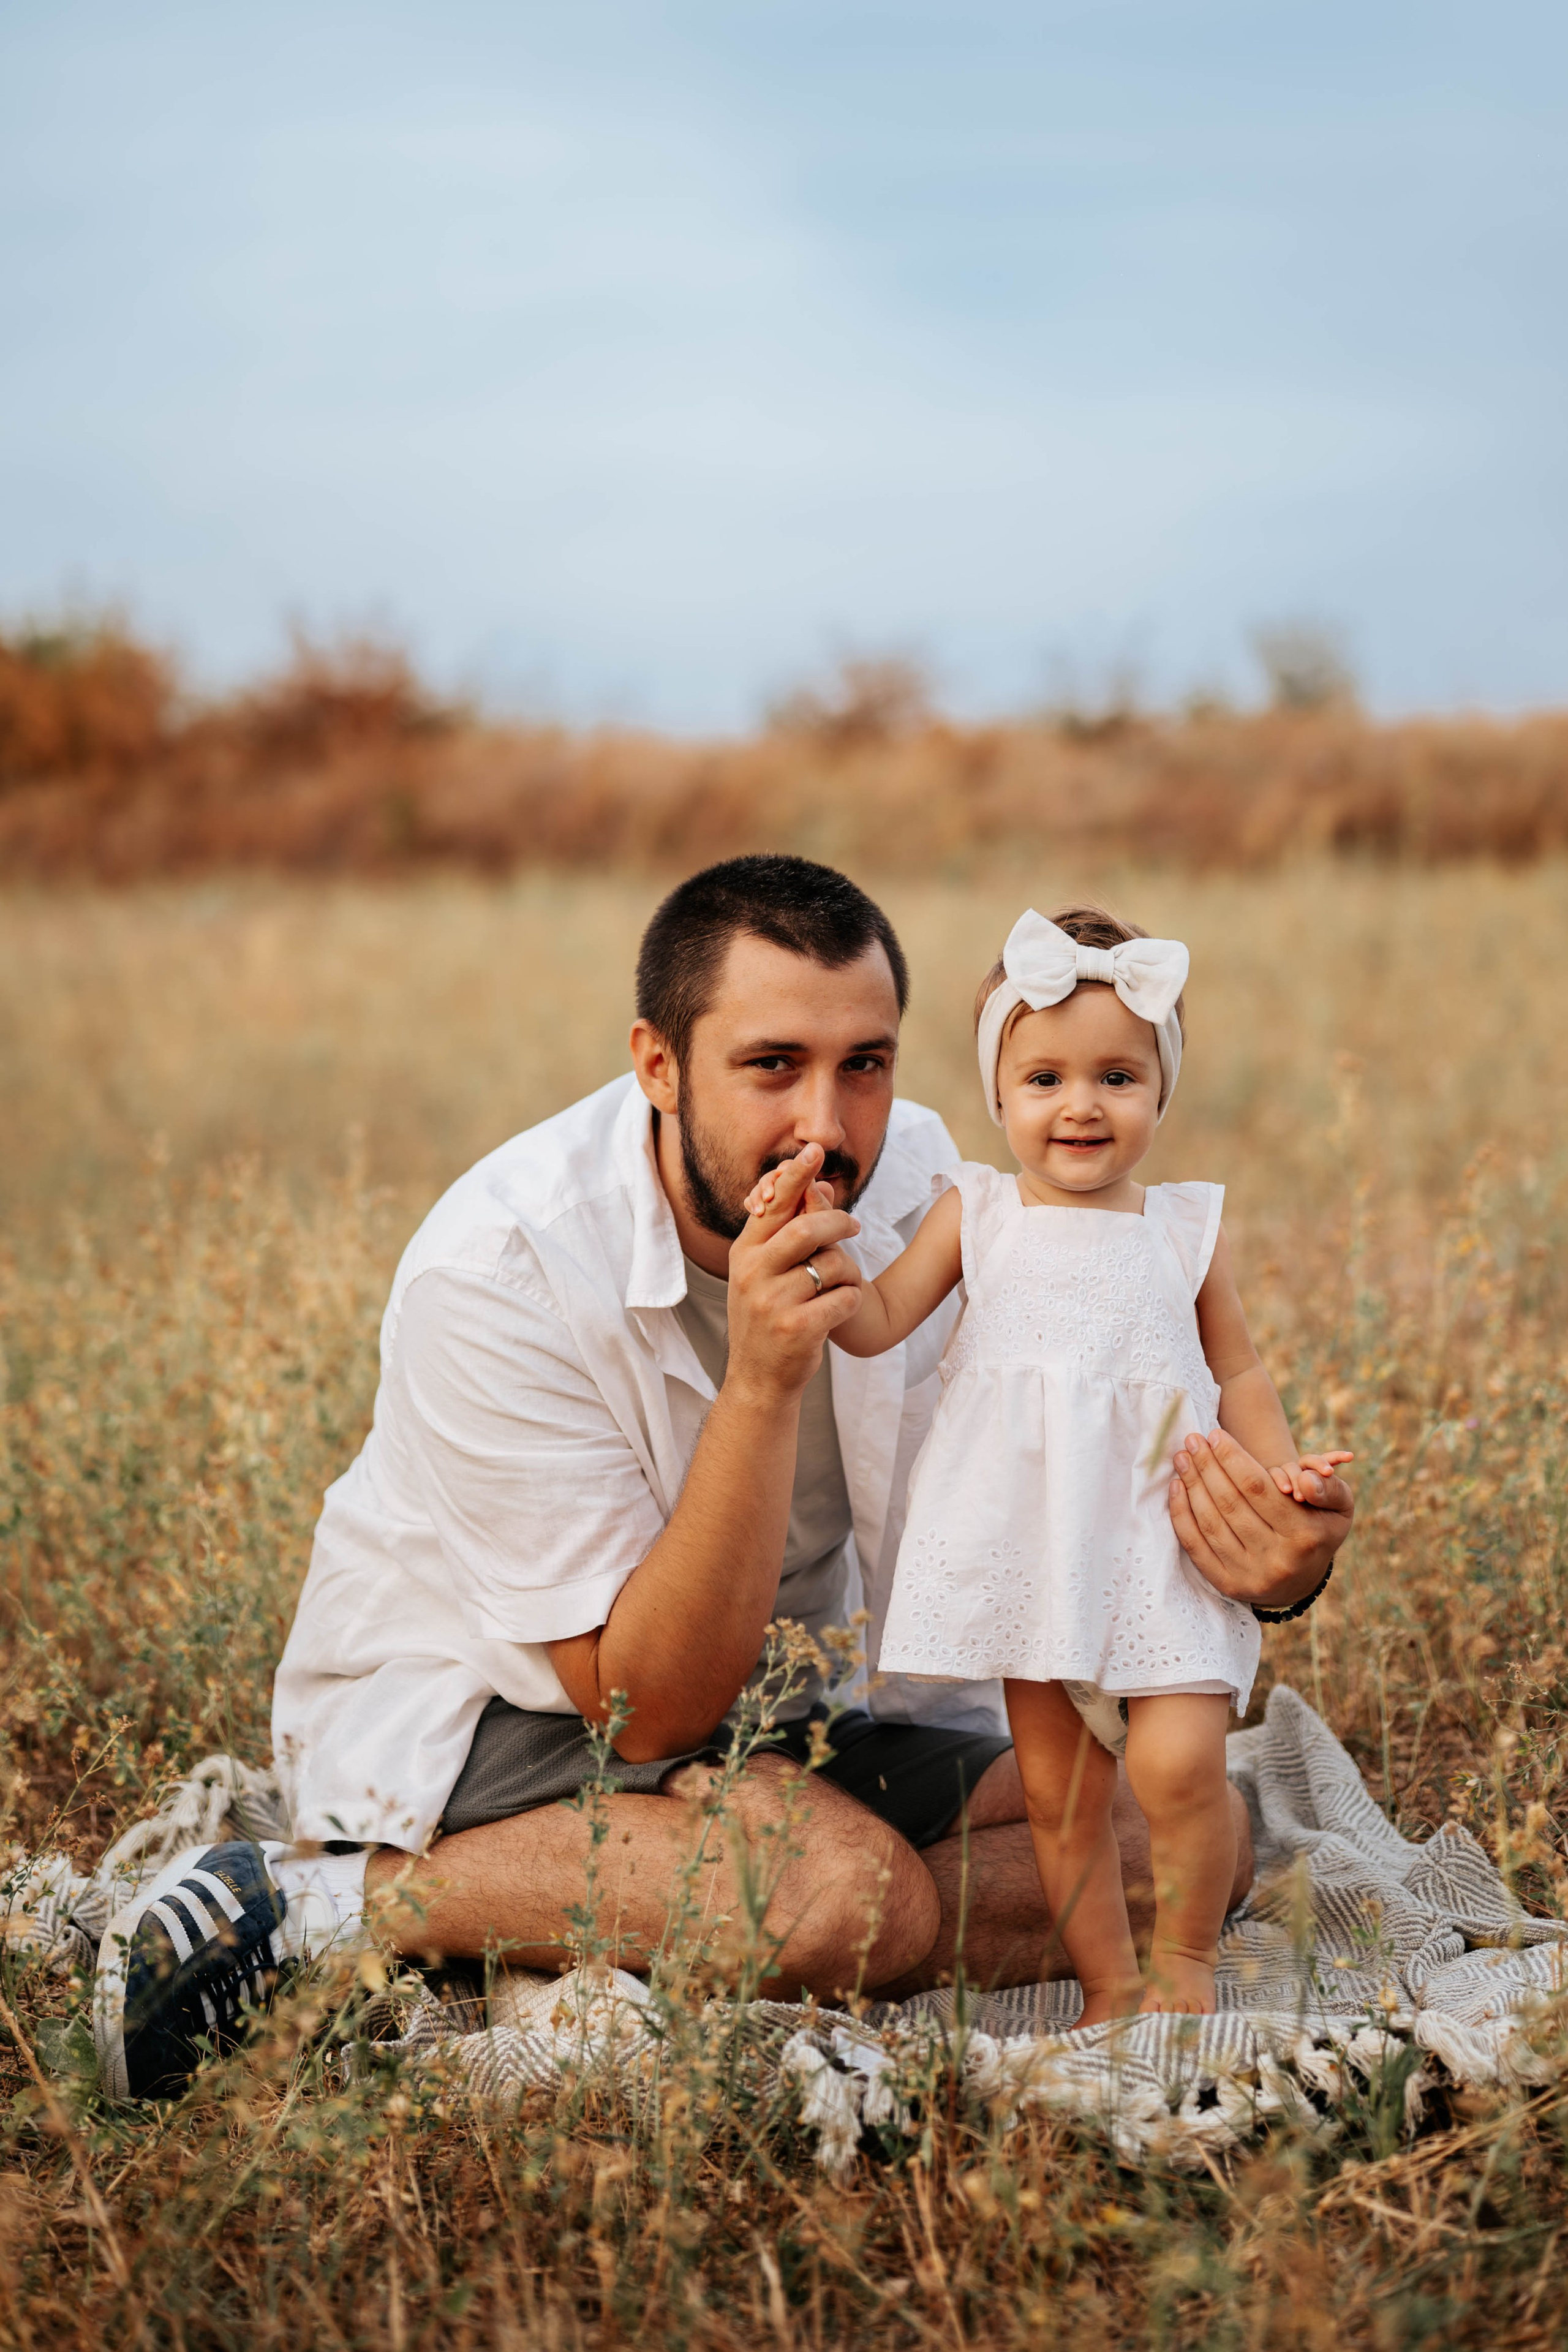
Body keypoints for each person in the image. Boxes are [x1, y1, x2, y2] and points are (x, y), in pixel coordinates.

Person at [93, 858, 1354, 2098]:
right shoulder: (497, 1271)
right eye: (772, 1066)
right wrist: (760, 1383)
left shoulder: (929, 1188)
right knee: (845, 1899)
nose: (826, 1126)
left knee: (1177, 1844)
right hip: (507, 1719)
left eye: (864, 1064)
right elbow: (638, 1711)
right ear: (658, 1065)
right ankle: (321, 1902)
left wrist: (1275, 1559)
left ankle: (748, 1910)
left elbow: (1096, 1452)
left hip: (784, 1706)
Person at [747, 903, 1351, 2022]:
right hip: (1028, 1548)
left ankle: (1184, 1964)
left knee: (1176, 1767)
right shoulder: (975, 1213)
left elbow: (1240, 1371)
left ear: (1161, 1093)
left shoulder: (1183, 1230)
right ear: (999, 1096)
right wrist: (819, 1246)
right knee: (1060, 1797)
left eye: (1119, 1077)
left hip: (1163, 1544)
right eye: (1045, 1080)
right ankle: (1109, 1985)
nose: (1082, 1104)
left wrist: (1282, 1478)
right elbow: (877, 1325)